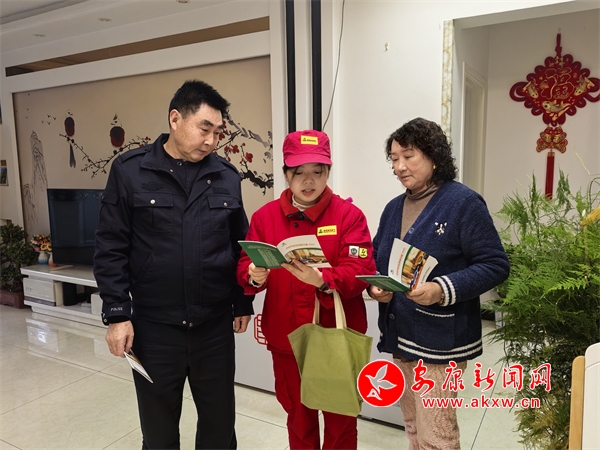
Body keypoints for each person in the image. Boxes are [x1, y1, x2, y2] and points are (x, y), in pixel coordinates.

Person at [94, 79, 253, 449]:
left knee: (219, 426)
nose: (211, 141)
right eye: (204, 129)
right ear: (175, 119)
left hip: (213, 327)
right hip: (155, 328)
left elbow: (238, 246)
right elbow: (110, 245)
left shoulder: (227, 176)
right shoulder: (130, 171)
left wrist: (242, 302)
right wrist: (117, 314)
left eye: (217, 132)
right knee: (159, 430)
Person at [369, 118, 509, 449]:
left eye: (408, 156)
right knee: (413, 426)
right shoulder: (393, 208)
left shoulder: (463, 203)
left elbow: (495, 264)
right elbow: (376, 259)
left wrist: (441, 289)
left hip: (440, 343)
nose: (399, 167)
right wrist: (376, 289)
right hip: (400, 335)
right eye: (394, 158)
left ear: (434, 156)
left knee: (438, 436)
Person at [236, 130, 376, 450]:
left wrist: (323, 279)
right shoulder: (265, 217)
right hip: (286, 335)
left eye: (318, 171)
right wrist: (254, 274)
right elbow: (245, 267)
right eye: (299, 172)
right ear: (286, 173)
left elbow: (361, 271)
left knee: (340, 421)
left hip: (335, 335)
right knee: (299, 418)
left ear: (328, 172)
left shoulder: (349, 216)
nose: (309, 180)